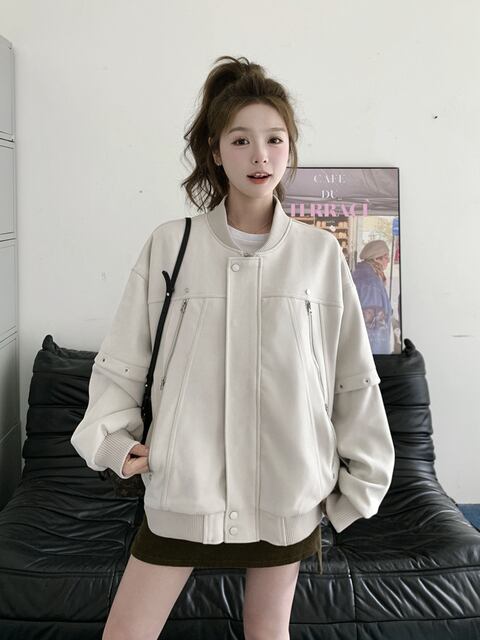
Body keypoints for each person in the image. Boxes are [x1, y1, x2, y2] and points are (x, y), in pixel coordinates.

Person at [70, 55, 395, 640]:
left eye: (274, 139)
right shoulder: (171, 245)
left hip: (287, 495)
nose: (259, 155)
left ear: (290, 150)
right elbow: (122, 360)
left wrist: (358, 487)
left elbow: (352, 378)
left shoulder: (319, 255)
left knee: (267, 633)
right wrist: (113, 442)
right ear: (216, 152)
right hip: (183, 491)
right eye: (241, 140)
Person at [351, 239, 394, 354]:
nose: (388, 261)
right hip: (372, 353)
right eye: (386, 257)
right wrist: (379, 358)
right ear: (376, 258)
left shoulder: (361, 274)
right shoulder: (371, 284)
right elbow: (374, 331)